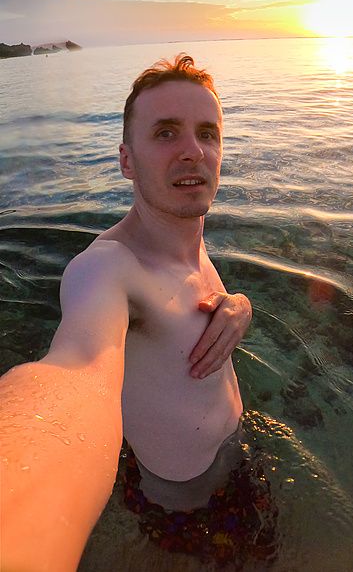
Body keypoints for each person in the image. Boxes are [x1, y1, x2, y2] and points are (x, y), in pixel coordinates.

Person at [0, 54, 269, 571]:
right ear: (127, 161)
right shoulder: (108, 268)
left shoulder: (185, 244)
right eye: (166, 133)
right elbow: (76, 370)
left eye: (207, 133)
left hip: (236, 460)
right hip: (186, 509)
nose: (193, 150)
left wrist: (240, 306)